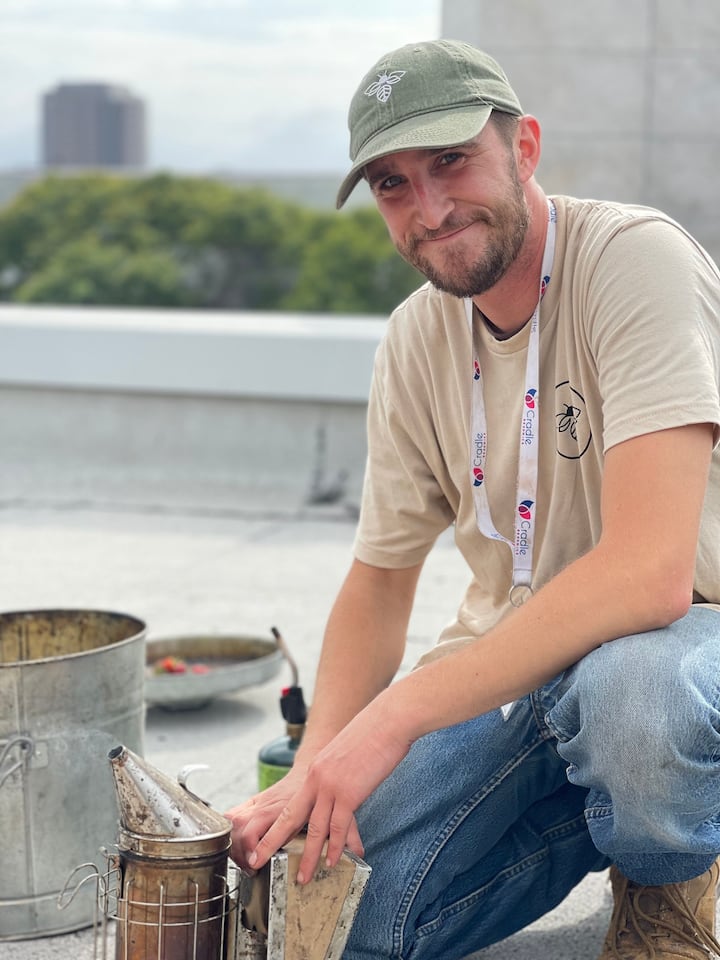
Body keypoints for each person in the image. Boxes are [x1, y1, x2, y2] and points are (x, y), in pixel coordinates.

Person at [226, 39, 720, 960]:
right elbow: (379, 580)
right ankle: (608, 813)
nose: (429, 208)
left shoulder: (634, 260)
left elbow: (650, 576)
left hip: (679, 646)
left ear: (524, 146)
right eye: (392, 184)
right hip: (513, 666)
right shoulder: (415, 338)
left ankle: (668, 875)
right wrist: (318, 766)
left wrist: (393, 718)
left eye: (451, 160)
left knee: (639, 703)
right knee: (340, 915)